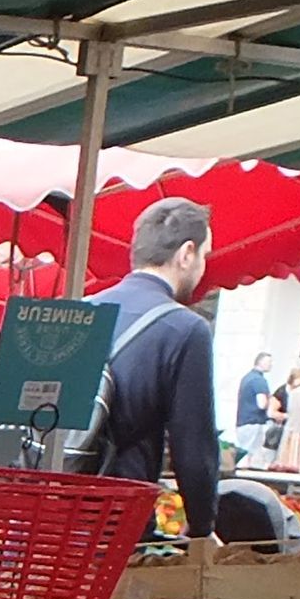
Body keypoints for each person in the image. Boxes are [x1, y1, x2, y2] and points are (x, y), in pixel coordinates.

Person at [83, 199, 220, 536]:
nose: (202, 267)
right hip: (117, 525)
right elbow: (193, 447)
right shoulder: (186, 329)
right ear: (187, 254)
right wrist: (202, 525)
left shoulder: (77, 311)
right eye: (204, 256)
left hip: (47, 517)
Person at [233, 350, 277, 463]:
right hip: (254, 423)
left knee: (243, 453)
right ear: (261, 363)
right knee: (252, 456)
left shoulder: (247, 378)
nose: (271, 365)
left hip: (243, 421)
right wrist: (270, 401)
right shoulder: (259, 381)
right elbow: (262, 404)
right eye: (269, 362)